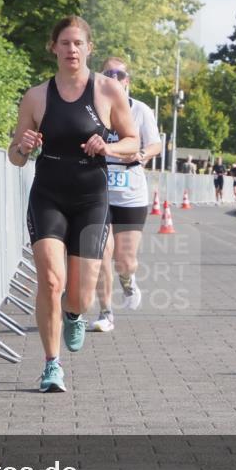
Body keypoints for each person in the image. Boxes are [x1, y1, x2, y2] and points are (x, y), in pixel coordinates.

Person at [9, 16, 138, 392]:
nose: (72, 50)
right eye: (64, 43)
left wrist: (108, 146)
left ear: (89, 48)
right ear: (53, 47)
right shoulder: (36, 96)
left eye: (78, 43)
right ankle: (51, 365)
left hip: (90, 198)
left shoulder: (107, 90)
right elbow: (14, 156)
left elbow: (133, 141)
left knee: (80, 294)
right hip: (48, 194)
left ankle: (73, 313)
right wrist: (23, 147)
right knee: (50, 280)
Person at [90, 57, 162, 333]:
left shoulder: (140, 110)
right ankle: (106, 312)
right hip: (99, 191)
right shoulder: (94, 109)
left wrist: (142, 154)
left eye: (119, 74)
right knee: (101, 252)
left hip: (131, 192)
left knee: (125, 260)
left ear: (127, 81)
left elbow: (155, 144)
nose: (114, 78)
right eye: (108, 73)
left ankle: (128, 280)